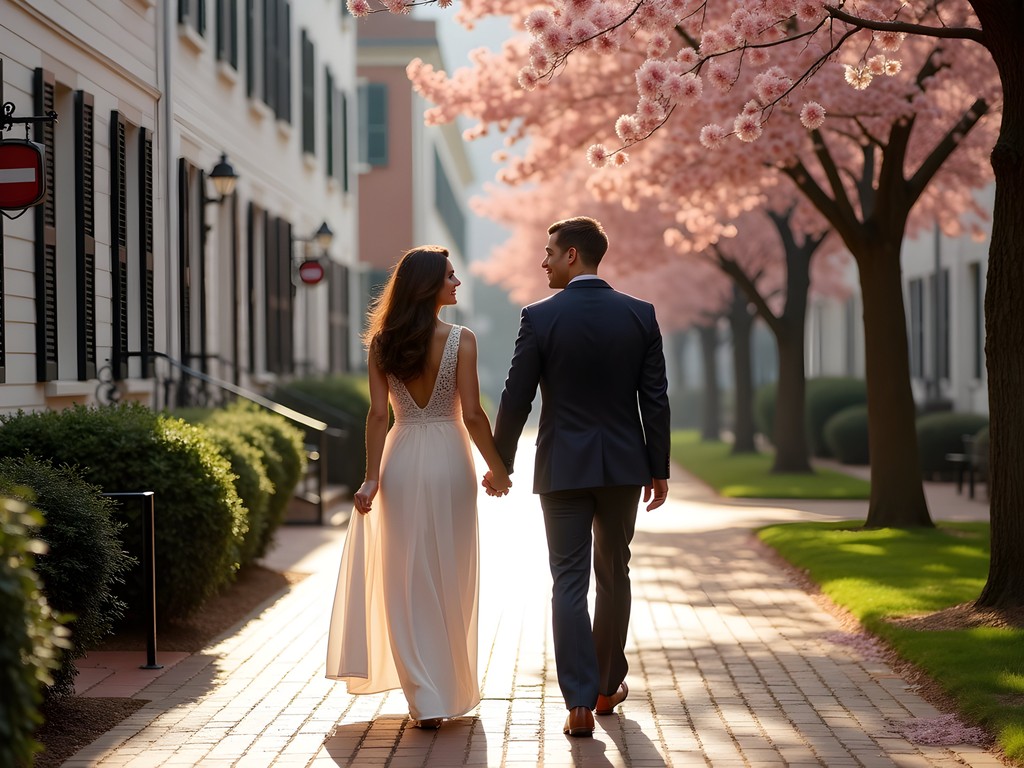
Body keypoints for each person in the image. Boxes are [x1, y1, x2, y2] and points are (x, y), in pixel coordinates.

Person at [484, 216, 670, 738]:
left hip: (562, 466)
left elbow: (516, 395)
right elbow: (653, 398)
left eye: (548, 252)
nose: (541, 261)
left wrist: (501, 466)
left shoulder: (539, 317)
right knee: (614, 573)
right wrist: (658, 468)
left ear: (571, 255)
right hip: (622, 469)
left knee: (568, 579)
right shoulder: (640, 315)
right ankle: (609, 685)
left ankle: (579, 700)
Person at [326, 245, 511, 729]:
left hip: (402, 458)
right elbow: (472, 415)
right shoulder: (462, 339)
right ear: (429, 285)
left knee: (405, 577)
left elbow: (377, 416)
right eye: (450, 276)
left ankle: (423, 697)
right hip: (451, 460)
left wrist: (371, 478)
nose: (457, 283)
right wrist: (499, 469)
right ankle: (446, 687)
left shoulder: (382, 343)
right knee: (452, 570)